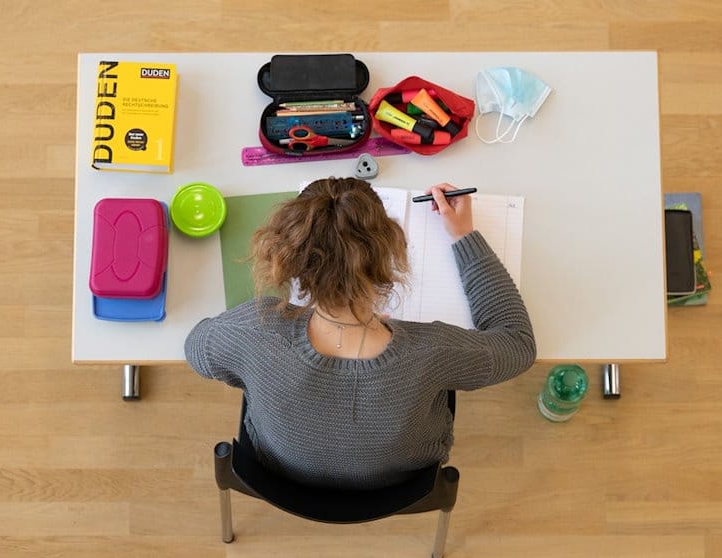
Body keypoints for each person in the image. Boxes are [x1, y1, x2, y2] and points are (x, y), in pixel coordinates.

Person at [185, 177, 535, 490]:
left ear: (289, 259)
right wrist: (465, 236)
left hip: (278, 471)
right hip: (402, 481)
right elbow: (518, 344)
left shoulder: (255, 331)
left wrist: (260, 375)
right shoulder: (431, 352)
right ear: (388, 259)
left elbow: (196, 347)